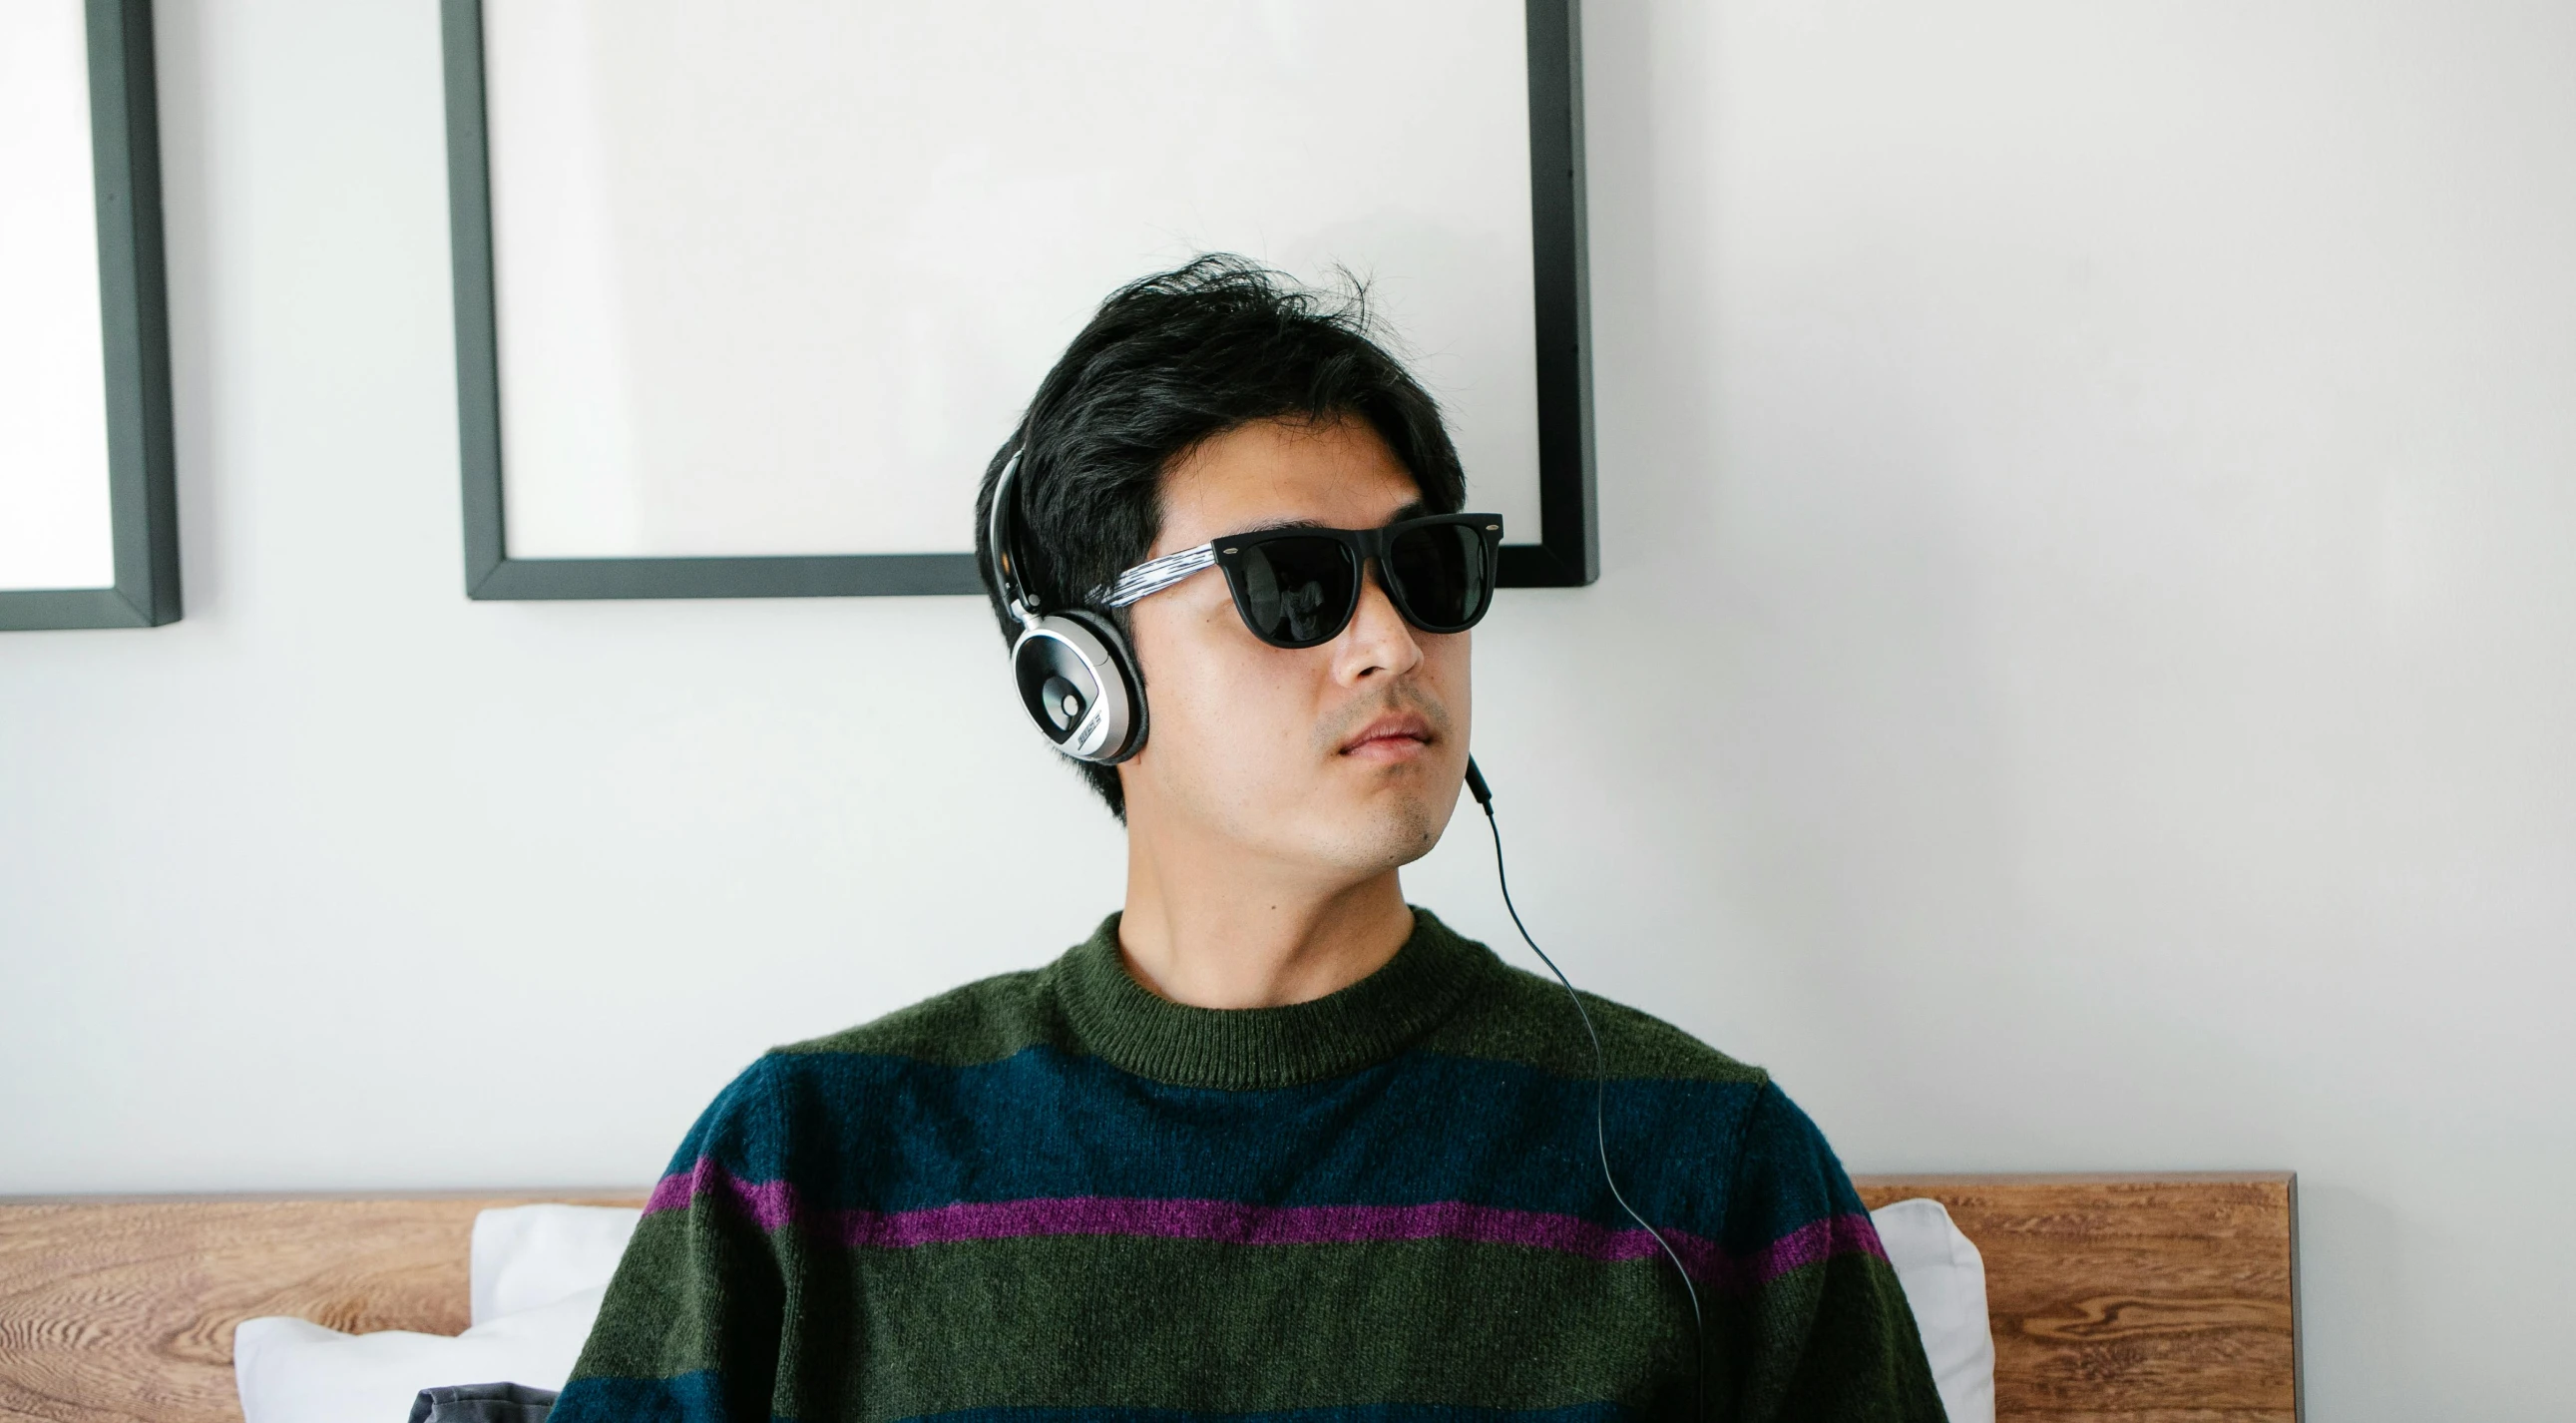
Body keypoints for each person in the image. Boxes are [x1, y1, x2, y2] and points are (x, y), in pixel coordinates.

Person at [548, 257, 1944, 1421]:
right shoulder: (804, 1162)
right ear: (1080, 682)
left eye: (1426, 566)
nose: (1391, 642)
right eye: (1291, 583)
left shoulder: (1707, 1161)